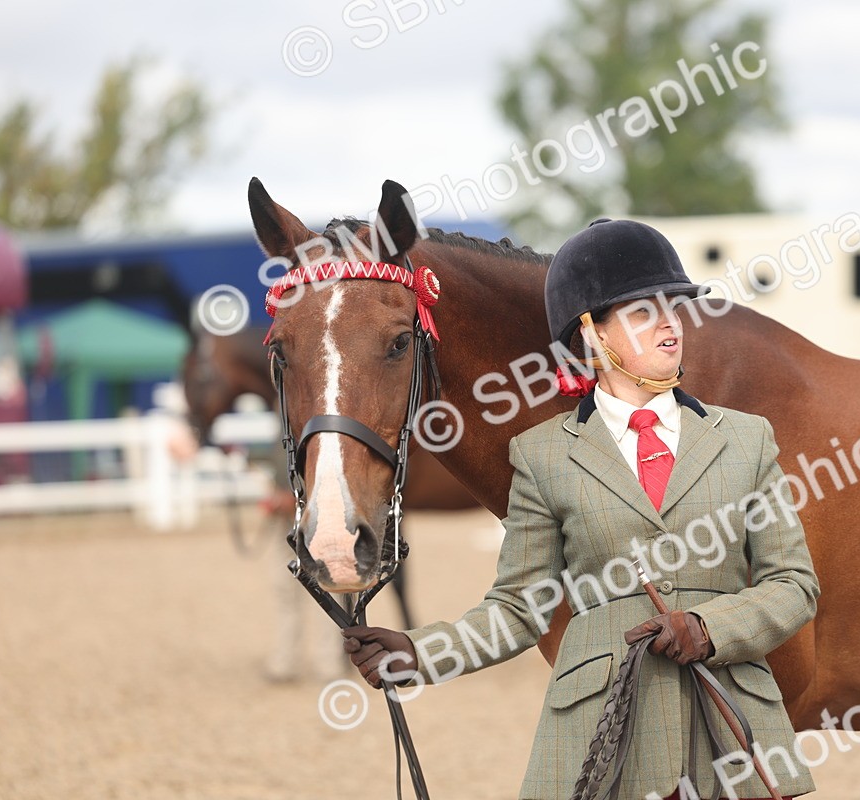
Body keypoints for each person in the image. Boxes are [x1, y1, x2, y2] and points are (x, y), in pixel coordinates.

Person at [342, 219, 820, 799]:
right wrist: (420, 652)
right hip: (601, 733)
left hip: (731, 728)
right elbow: (520, 608)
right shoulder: (543, 457)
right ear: (590, 336)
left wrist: (710, 628)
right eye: (644, 313)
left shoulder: (747, 439)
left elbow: (793, 584)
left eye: (674, 308)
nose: (671, 325)